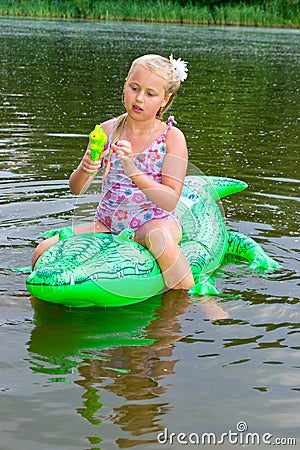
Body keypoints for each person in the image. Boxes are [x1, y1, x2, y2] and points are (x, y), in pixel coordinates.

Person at [32, 54, 195, 290]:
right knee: (43, 250)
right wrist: (85, 168)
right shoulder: (106, 131)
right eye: (134, 88)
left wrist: (132, 170)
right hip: (108, 223)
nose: (139, 98)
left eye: (150, 94)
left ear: (164, 99)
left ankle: (195, 297)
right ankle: (33, 297)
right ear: (124, 86)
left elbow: (170, 200)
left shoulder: (171, 138)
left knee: (159, 239)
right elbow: (76, 188)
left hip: (154, 221)